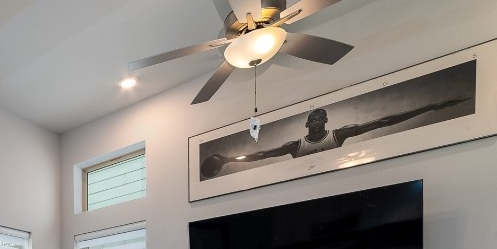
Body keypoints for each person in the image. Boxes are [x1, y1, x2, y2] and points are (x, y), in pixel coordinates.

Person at [201, 98, 469, 178]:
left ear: (326, 122)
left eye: (321, 118)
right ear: (307, 124)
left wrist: (430, 106)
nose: (317, 121)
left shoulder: (337, 135)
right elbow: (262, 154)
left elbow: (382, 122)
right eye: (313, 118)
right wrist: (227, 159)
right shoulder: (296, 146)